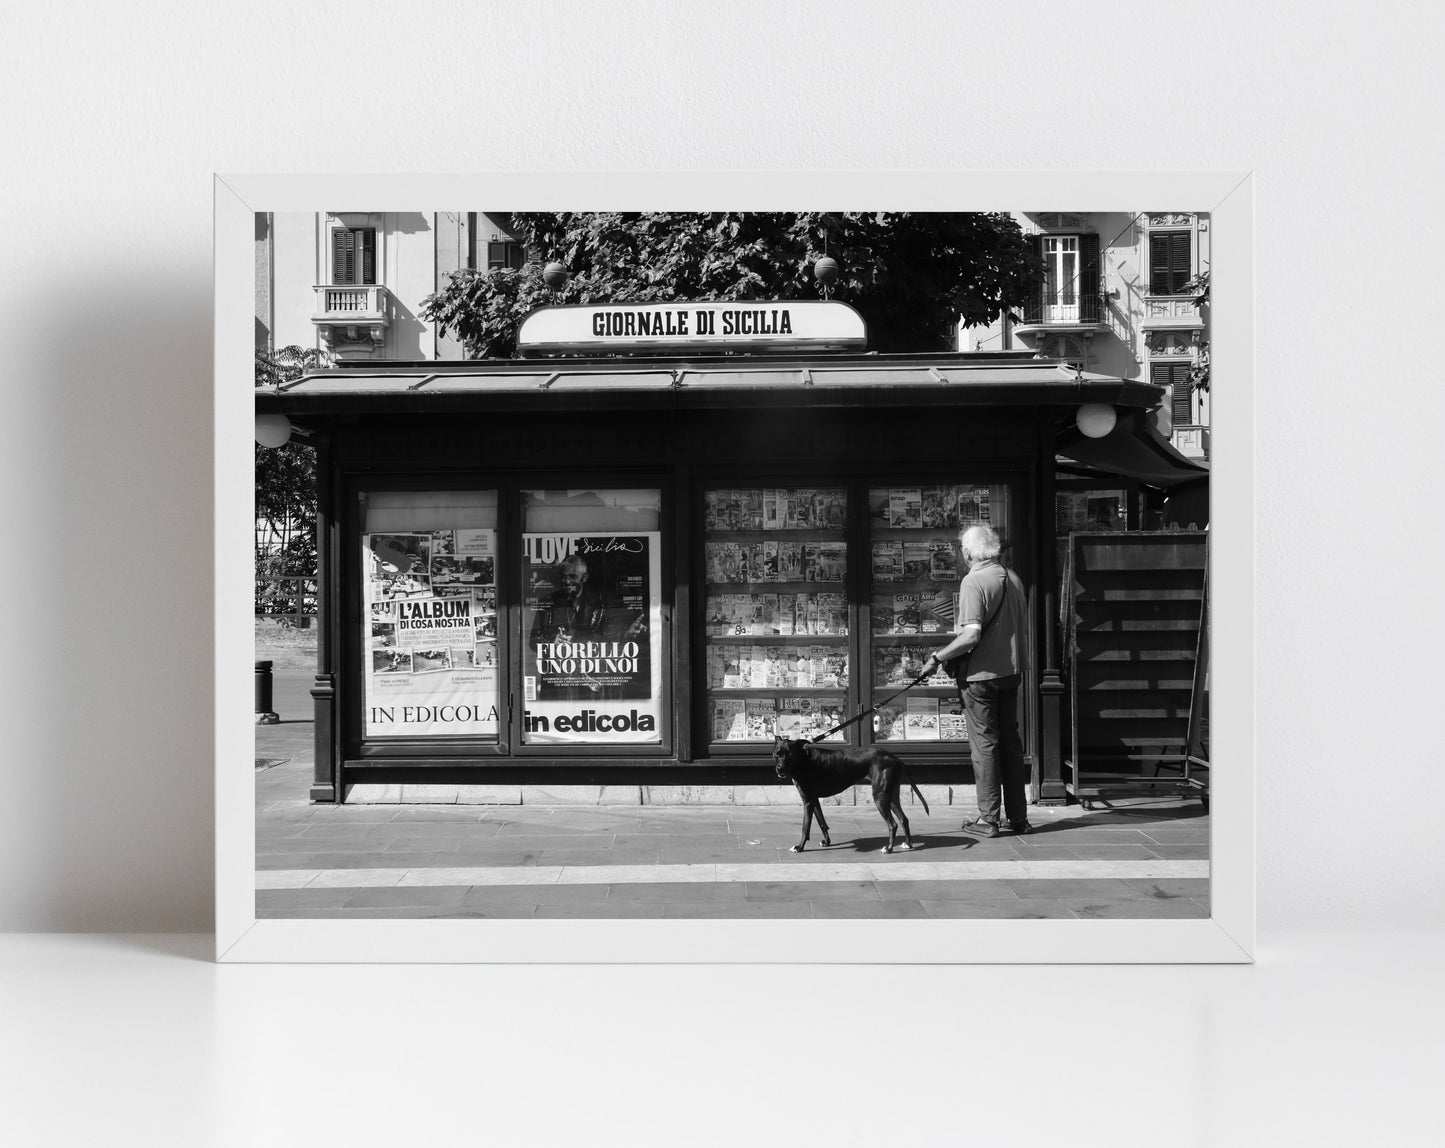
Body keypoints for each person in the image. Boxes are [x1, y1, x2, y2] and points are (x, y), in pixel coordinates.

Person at [921, 524, 1031, 838]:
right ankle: (1018, 817)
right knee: (1010, 745)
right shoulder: (1014, 579)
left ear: (968, 553)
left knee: (984, 746)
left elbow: (971, 635)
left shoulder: (973, 581)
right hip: (1011, 673)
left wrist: (938, 657)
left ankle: (989, 819)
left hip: (981, 677)